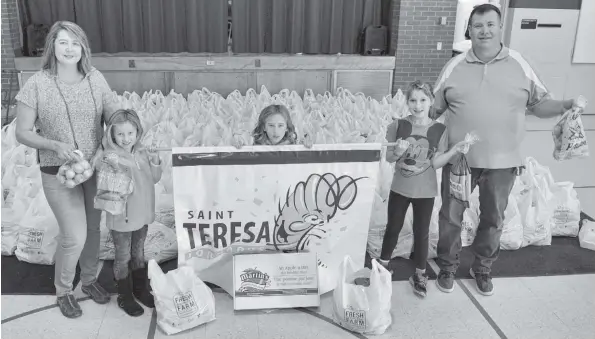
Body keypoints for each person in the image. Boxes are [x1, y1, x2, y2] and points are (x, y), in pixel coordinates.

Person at [432, 4, 586, 296]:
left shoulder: (519, 63)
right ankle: (448, 267)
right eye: (477, 26)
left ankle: (482, 269)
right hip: (459, 161)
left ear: (500, 27)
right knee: (451, 218)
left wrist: (565, 105)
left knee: (493, 219)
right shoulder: (453, 67)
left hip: (502, 163)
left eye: (490, 24)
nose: (484, 31)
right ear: (469, 30)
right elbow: (434, 110)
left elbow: (540, 105)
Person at [14, 21, 115, 318]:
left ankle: (89, 280)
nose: (69, 48)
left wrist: (101, 153)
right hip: (57, 171)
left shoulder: (96, 79)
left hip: (93, 168)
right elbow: (22, 131)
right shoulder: (37, 83)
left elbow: (114, 119)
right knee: (75, 235)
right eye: (62, 42)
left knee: (94, 230)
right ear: (52, 48)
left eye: (75, 42)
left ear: (83, 47)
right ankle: (64, 290)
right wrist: (54, 145)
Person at [379, 81, 471, 298]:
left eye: (423, 100)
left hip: (426, 191)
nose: (417, 105)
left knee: (422, 233)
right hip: (400, 188)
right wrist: (399, 152)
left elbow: (436, 163)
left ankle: (420, 273)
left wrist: (454, 151)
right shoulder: (398, 126)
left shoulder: (439, 129)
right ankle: (382, 266)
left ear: (431, 101)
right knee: (393, 227)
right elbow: (389, 157)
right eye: (413, 100)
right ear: (407, 101)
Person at [94, 109, 162, 316]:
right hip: (121, 216)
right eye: (120, 134)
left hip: (142, 213)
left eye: (130, 133)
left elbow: (155, 178)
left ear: (138, 132)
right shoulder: (108, 155)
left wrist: (155, 160)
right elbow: (100, 171)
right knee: (122, 257)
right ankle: (125, 295)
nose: (125, 139)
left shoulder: (142, 152)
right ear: (112, 134)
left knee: (139, 254)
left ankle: (140, 289)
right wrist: (108, 162)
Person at [234, 104, 313, 147]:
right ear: (264, 127)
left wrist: (306, 144)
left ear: (286, 127)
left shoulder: (294, 142)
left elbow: (306, 137)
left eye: (280, 125)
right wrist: (238, 142)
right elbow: (239, 137)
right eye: (271, 125)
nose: (276, 131)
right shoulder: (255, 141)